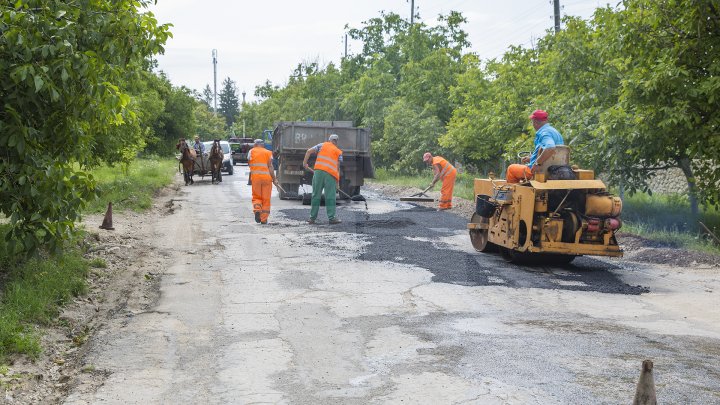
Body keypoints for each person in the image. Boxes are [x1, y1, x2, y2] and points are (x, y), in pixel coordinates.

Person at [506, 109, 565, 183]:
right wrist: (531, 159)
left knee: (511, 169)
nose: (532, 124)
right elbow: (552, 156)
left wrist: (537, 163)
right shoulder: (554, 131)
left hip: (539, 171)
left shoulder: (544, 132)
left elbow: (550, 148)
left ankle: (512, 193)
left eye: (532, 122)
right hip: (557, 170)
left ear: (535, 122)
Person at [303, 134, 343, 224]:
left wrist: (304, 163)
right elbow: (338, 168)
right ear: (336, 142)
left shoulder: (321, 145)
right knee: (330, 196)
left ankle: (312, 218)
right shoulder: (338, 152)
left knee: (316, 195)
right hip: (331, 175)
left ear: (329, 140)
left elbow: (308, 151)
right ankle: (332, 218)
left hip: (318, 173)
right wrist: (337, 183)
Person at [248, 139, 279, 224]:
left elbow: (249, 164)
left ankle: (257, 210)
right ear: (263, 145)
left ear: (255, 144)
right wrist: (274, 179)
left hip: (256, 178)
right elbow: (271, 167)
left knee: (257, 197)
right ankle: (264, 219)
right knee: (266, 199)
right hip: (267, 178)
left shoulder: (251, 151)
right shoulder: (268, 153)